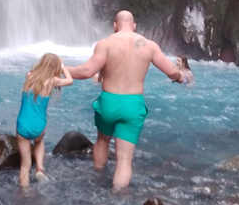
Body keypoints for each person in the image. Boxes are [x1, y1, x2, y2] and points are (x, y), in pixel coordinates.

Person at [65, 10, 184, 190]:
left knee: (102, 140)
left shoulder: (105, 44)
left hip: (108, 102)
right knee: (125, 160)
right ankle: (117, 197)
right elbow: (172, 72)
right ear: (134, 25)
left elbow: (86, 71)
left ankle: (97, 179)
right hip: (133, 104)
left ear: (115, 25)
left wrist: (62, 69)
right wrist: (181, 76)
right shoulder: (149, 46)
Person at [16, 53, 73, 187]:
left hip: (22, 125)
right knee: (39, 141)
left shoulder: (29, 75)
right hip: (39, 125)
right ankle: (40, 169)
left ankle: (25, 193)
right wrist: (63, 67)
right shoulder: (52, 81)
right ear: (55, 67)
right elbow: (70, 80)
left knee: (25, 165)